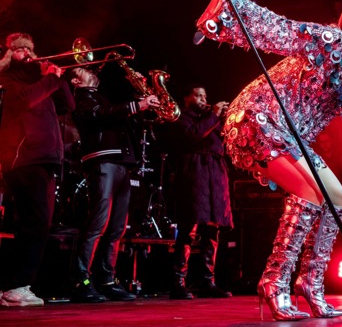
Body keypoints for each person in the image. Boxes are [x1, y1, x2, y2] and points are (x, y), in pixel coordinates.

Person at [195, 0, 342, 320]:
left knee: (337, 197)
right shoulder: (333, 41)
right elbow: (278, 28)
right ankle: (274, 282)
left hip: (288, 135)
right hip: (256, 119)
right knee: (309, 191)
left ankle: (311, 283)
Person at [65, 65, 160, 303]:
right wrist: (137, 105)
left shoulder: (101, 97)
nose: (90, 70)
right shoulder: (81, 99)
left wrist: (140, 98)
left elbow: (119, 116)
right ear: (75, 81)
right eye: (83, 70)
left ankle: (106, 279)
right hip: (102, 161)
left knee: (117, 227)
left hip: (121, 162)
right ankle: (80, 280)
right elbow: (102, 114)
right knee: (98, 223)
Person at [0, 32, 75, 307]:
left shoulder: (41, 82)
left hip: (45, 159)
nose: (27, 54)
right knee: (34, 222)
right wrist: (50, 79)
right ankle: (16, 285)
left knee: (37, 224)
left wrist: (57, 77)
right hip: (24, 158)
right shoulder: (7, 79)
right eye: (20, 49)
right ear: (9, 54)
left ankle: (13, 285)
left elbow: (68, 105)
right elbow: (22, 101)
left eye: (29, 49)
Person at [164, 83, 234, 300]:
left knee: (213, 229)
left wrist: (227, 120)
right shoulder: (180, 117)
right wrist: (214, 116)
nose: (204, 99)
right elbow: (192, 136)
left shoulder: (211, 119)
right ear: (186, 98)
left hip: (215, 174)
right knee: (188, 228)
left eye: (205, 95)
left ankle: (206, 280)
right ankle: (178, 281)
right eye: (198, 95)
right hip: (194, 172)